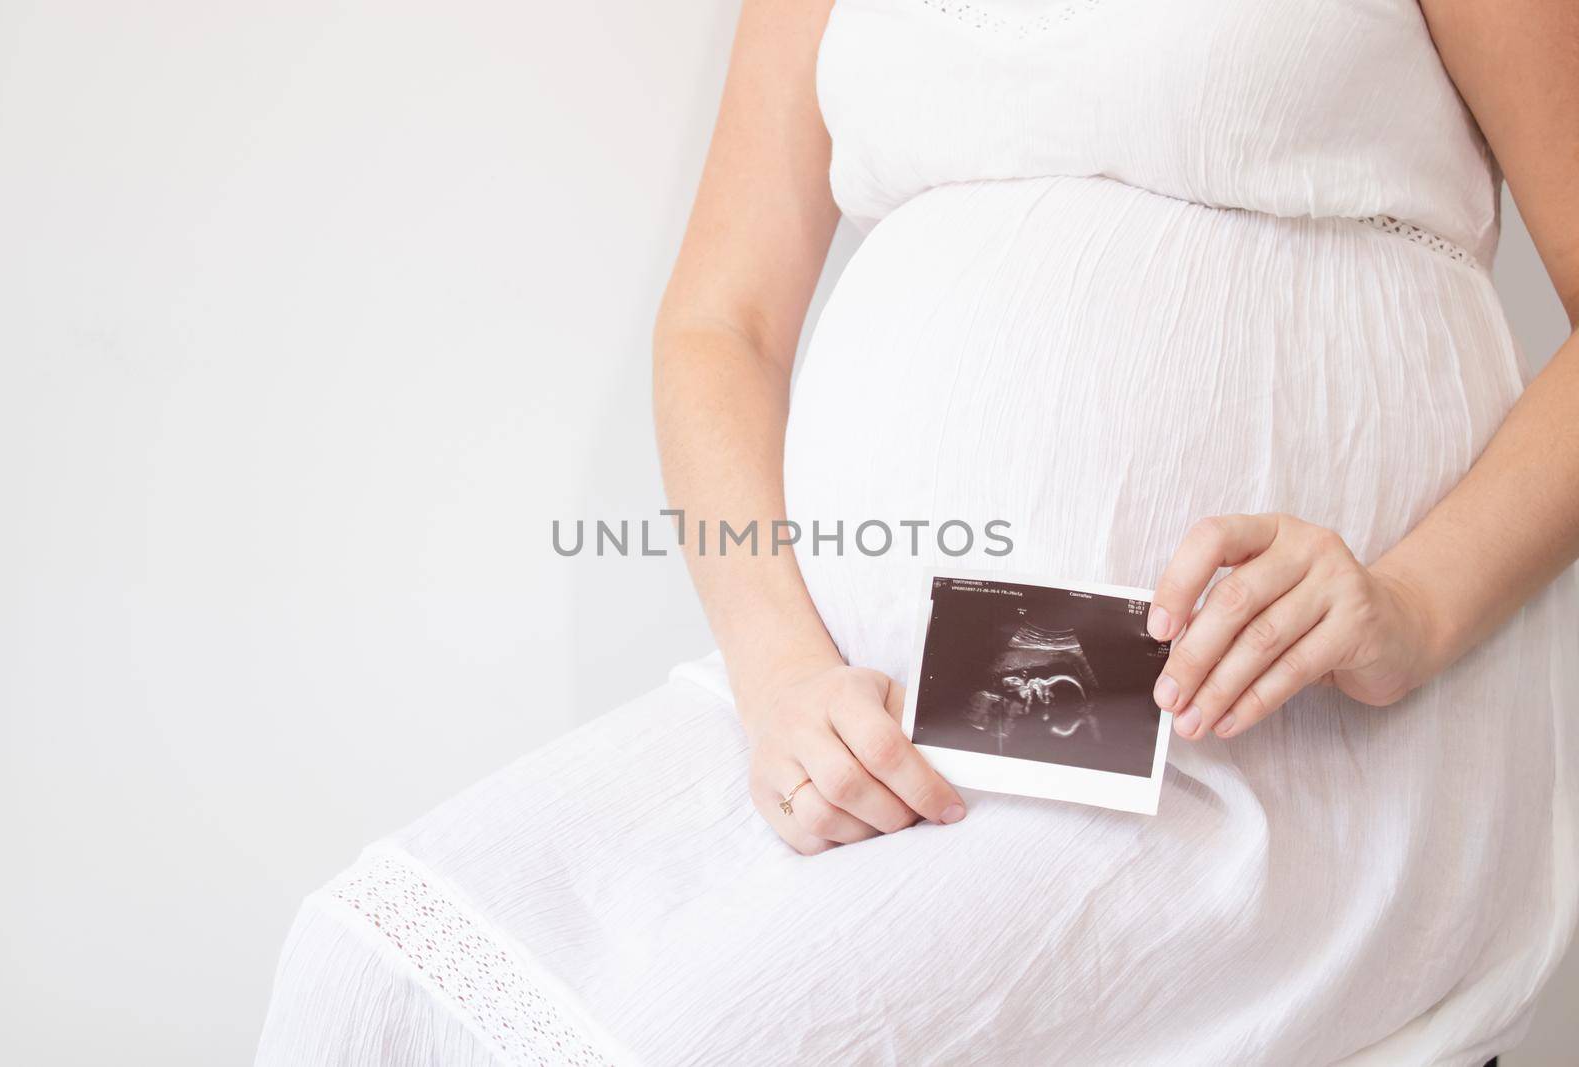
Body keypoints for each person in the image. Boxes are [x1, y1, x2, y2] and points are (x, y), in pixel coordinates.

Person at [256, 1, 1579, 1063]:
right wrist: (782, 684)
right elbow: (726, 324)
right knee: (359, 976)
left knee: (685, 1039)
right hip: (871, 697)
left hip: (1244, 732)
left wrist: (1414, 602)